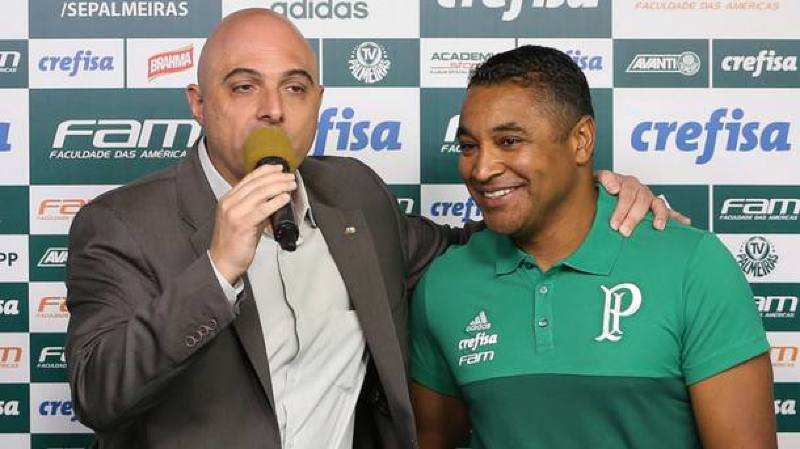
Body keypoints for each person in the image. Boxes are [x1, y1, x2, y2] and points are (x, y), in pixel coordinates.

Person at [65, 10, 677, 449]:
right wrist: (217, 270)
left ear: (317, 102)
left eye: (294, 88)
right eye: (244, 86)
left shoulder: (352, 193)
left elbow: (466, 250)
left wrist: (588, 193)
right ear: (199, 103)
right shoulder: (120, 224)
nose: (273, 108)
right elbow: (98, 394)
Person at [409, 45, 776, 449]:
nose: (481, 169)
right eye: (468, 146)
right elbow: (433, 437)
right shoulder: (445, 282)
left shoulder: (693, 265)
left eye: (509, 141)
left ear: (581, 140)